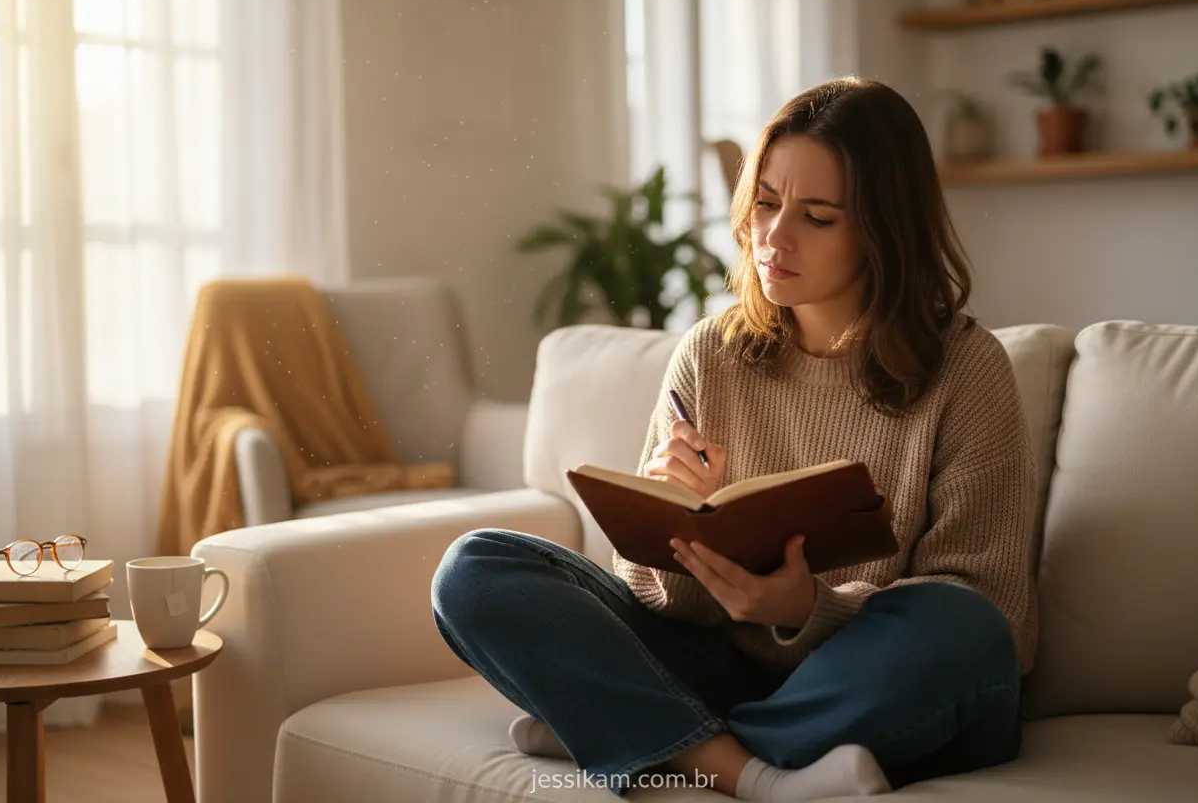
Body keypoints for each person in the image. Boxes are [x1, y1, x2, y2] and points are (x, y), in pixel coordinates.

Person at [431, 76, 1038, 801]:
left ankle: (635, 730)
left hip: (871, 675)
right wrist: (670, 522)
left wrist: (802, 609)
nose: (772, 238)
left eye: (816, 217)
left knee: (960, 627)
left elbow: (994, 612)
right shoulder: (711, 354)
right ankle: (749, 771)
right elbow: (657, 604)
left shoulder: (967, 369)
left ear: (885, 231)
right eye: (766, 203)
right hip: (730, 662)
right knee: (478, 568)